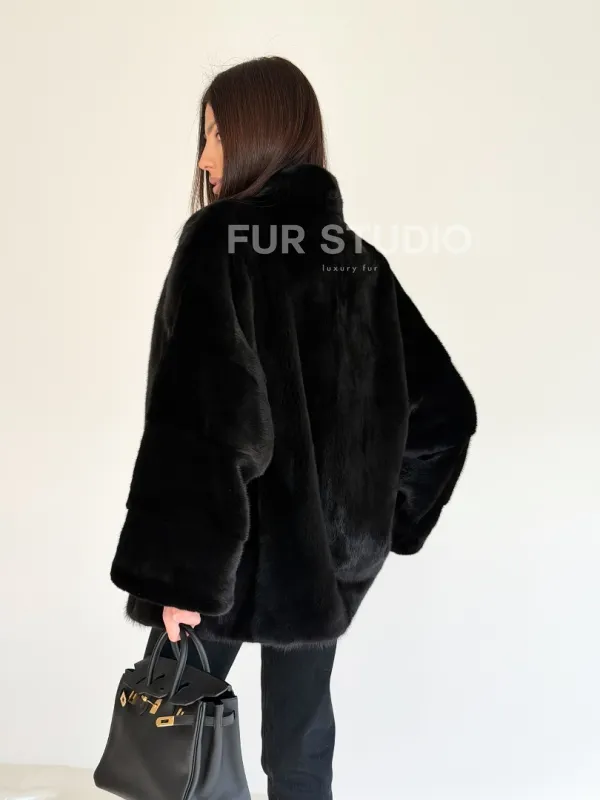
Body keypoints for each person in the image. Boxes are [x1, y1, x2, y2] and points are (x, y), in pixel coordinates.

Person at [109, 55, 477, 800]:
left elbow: (206, 422)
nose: (205, 158)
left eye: (216, 134)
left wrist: (181, 576)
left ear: (260, 133)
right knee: (301, 753)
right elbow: (445, 416)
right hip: (321, 571)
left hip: (226, 560)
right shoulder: (357, 262)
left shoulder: (220, 241)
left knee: (169, 746)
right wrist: (375, 529)